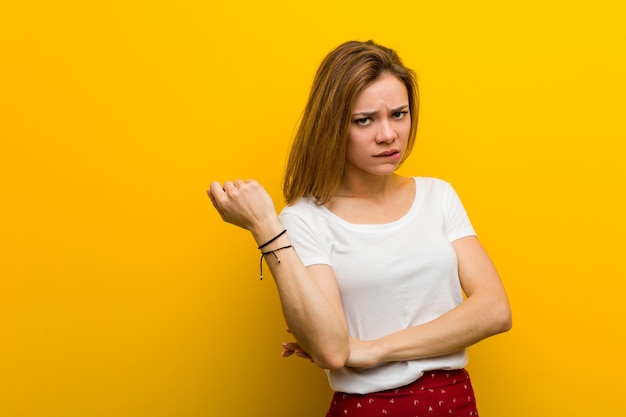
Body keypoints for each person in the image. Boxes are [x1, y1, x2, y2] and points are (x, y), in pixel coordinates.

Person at [208, 40, 512, 417]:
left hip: (454, 402)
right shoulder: (304, 219)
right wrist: (265, 226)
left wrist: (373, 349)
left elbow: (495, 309)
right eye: (364, 120)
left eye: (399, 114)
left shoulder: (439, 196)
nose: (388, 135)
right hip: (368, 408)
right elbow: (333, 351)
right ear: (333, 126)